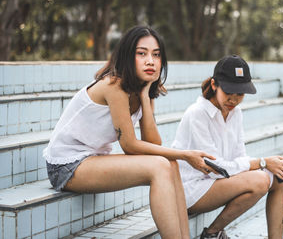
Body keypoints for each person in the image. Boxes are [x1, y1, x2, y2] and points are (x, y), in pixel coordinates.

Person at [43, 26, 216, 239]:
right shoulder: (113, 85)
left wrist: (145, 97)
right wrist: (186, 155)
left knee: (169, 164)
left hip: (92, 160)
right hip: (66, 166)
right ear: (127, 56)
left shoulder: (142, 88)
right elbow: (130, 146)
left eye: (156, 55)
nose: (150, 61)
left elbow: (153, 143)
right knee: (162, 165)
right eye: (141, 53)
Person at [171, 55, 283, 239]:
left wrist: (276, 165)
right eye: (229, 92)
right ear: (214, 85)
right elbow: (215, 168)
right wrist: (263, 163)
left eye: (240, 94)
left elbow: (240, 156)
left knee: (280, 179)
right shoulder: (197, 114)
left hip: (215, 183)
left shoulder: (235, 113)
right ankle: (212, 234)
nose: (233, 100)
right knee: (260, 180)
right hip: (191, 189)